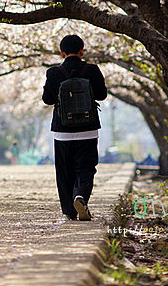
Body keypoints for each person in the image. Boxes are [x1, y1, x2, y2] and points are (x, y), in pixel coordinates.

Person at [42, 35, 107, 221]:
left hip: (62, 131)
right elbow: (102, 95)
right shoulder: (92, 70)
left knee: (64, 171)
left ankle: (69, 211)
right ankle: (80, 196)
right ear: (82, 51)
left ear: (62, 53)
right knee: (86, 167)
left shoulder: (54, 73)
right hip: (88, 129)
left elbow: (47, 100)